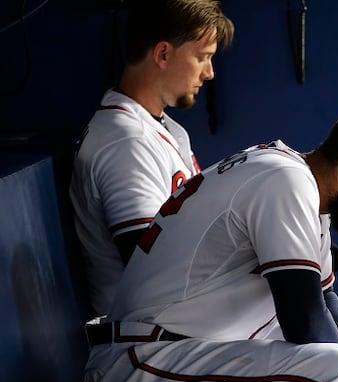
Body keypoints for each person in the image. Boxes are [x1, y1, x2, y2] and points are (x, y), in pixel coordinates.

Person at [83, 107, 338, 382]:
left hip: (185, 352)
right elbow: (304, 321)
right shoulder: (285, 180)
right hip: (142, 362)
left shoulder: (300, 184)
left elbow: (324, 296)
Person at [69, 0, 234, 317]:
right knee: (336, 362)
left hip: (180, 328)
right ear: (162, 54)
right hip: (147, 342)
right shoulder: (125, 142)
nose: (210, 73)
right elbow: (154, 273)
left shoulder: (157, 128)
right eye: (202, 57)